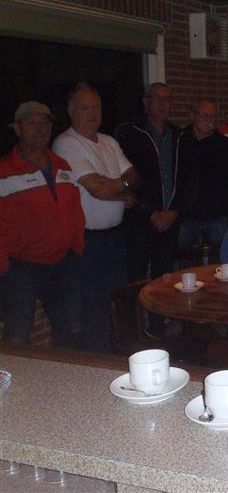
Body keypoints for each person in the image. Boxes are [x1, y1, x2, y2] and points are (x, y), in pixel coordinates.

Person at [53, 83, 138, 352]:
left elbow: (134, 175)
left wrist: (121, 186)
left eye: (96, 107)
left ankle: (117, 359)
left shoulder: (109, 142)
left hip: (115, 238)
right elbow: (97, 188)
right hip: (87, 241)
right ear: (71, 111)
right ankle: (97, 364)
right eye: (84, 108)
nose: (92, 113)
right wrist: (124, 191)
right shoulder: (66, 143)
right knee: (93, 307)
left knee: (116, 301)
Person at [0, 101, 84, 347]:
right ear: (17, 128)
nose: (39, 128)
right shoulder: (4, 171)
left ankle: (65, 373)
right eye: (31, 123)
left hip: (62, 263)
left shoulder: (62, 166)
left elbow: (74, 209)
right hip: (21, 267)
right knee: (18, 335)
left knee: (71, 331)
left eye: (44, 123)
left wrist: (76, 245)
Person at [115, 83, 195, 284]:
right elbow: (125, 177)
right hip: (139, 219)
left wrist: (174, 213)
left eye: (167, 99)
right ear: (146, 102)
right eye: (157, 98)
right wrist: (149, 212)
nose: (162, 103)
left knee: (164, 280)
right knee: (135, 278)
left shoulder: (181, 136)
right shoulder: (130, 133)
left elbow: (190, 181)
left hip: (170, 220)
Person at [178, 99, 228, 248]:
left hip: (217, 216)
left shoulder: (226, 146)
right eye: (204, 115)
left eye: (212, 116)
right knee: (174, 239)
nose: (208, 120)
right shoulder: (179, 143)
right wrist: (177, 217)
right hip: (186, 216)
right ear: (192, 116)